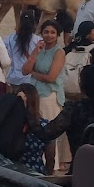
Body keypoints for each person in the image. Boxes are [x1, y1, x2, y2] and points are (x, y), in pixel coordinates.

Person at [23, 21, 66, 171]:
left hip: (49, 97)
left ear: (57, 35)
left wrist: (33, 73)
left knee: (48, 134)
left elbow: (51, 77)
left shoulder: (59, 52)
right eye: (46, 32)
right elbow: (24, 70)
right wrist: (35, 53)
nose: (49, 35)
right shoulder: (38, 49)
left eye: (52, 32)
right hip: (34, 96)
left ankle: (49, 168)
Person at [5, 8, 41, 90]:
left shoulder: (10, 38)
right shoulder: (38, 41)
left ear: (20, 23)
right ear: (34, 23)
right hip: (30, 80)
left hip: (13, 79)